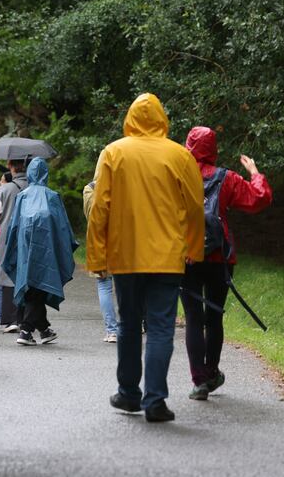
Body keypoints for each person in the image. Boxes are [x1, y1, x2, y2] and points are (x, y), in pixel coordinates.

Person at [87, 93, 205, 423]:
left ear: (130, 118)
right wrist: (194, 249)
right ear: (162, 119)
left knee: (128, 325)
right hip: (167, 257)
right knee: (160, 328)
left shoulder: (114, 152)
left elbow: (100, 209)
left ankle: (128, 394)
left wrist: (97, 255)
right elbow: (196, 208)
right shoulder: (180, 155)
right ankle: (155, 400)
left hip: (125, 255)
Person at [181, 126, 273, 400]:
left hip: (186, 255)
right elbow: (260, 199)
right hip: (220, 257)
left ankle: (199, 381)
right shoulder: (227, 178)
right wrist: (255, 173)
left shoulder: (176, 175)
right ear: (214, 149)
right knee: (214, 317)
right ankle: (211, 373)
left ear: (188, 147)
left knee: (194, 318)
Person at [3, 158, 78, 345]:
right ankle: (26, 330)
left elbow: (14, 226)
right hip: (47, 251)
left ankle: (43, 329)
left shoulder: (23, 196)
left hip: (26, 251)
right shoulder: (52, 196)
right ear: (45, 173)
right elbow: (62, 226)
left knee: (33, 285)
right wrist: (68, 244)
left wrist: (10, 247)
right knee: (40, 285)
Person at [0, 159, 28, 332]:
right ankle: (25, 319)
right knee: (25, 276)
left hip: (6, 238)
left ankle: (7, 318)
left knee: (4, 277)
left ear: (10, 167)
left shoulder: (5, 189)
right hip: (28, 238)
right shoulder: (35, 188)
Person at [83, 180, 119, 343]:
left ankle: (112, 331)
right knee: (126, 285)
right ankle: (131, 325)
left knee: (104, 285)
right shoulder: (124, 185)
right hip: (122, 242)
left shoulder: (90, 189)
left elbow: (89, 216)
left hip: (100, 243)